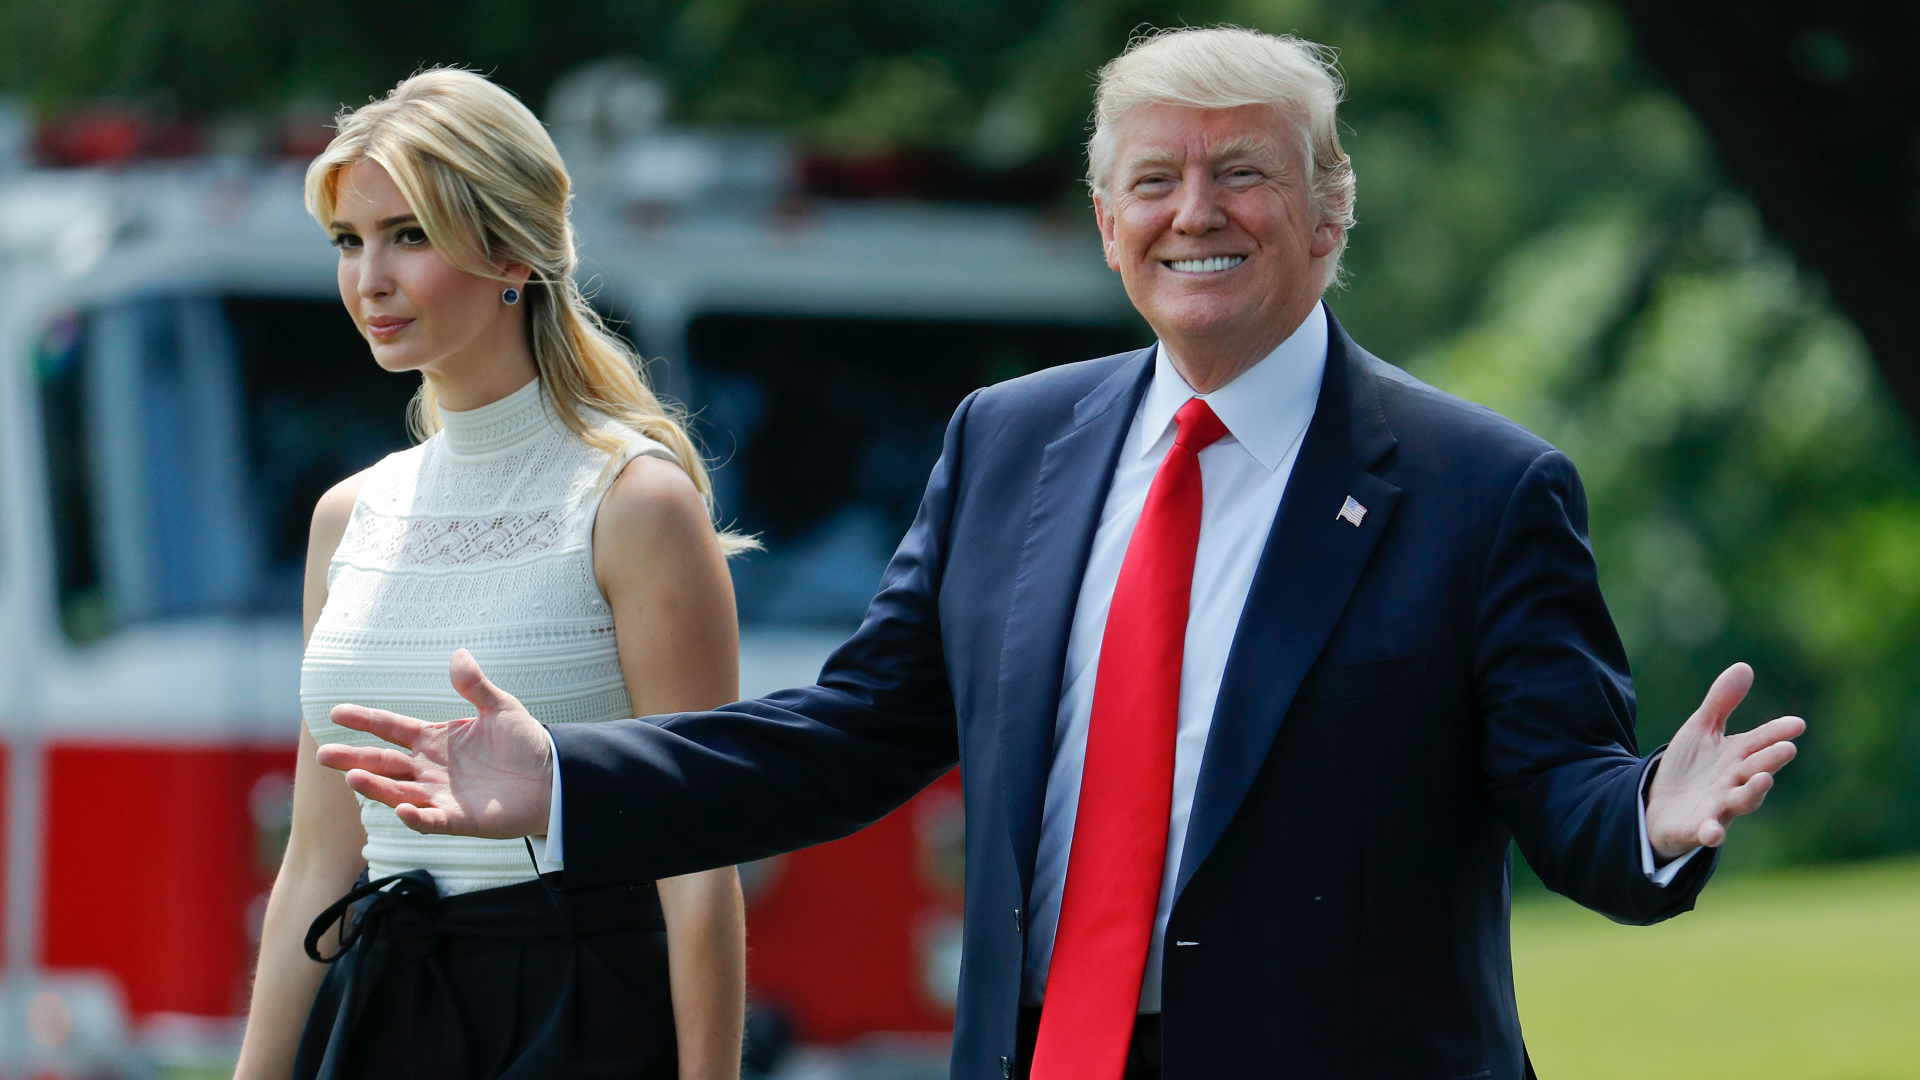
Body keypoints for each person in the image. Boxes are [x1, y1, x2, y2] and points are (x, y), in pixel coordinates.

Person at [318, 30, 1806, 1080]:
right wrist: (572, 778)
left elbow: (1565, 792)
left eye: (1244, 174)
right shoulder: (1008, 444)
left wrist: (1653, 822)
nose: (1196, 213)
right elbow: (850, 739)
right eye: (1154, 180)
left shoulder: (1482, 488)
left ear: (1329, 212)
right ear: (1108, 223)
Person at [235, 69, 750, 1080]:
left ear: (511, 250)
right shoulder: (348, 517)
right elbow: (318, 859)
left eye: (409, 234)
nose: (369, 278)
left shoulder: (634, 503)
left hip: (583, 1011)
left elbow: (698, 866)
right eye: (350, 241)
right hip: (384, 1008)